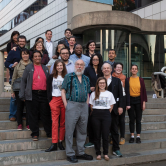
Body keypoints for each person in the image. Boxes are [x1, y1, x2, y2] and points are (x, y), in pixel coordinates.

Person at [61, 59, 93, 163]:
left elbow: (88, 92)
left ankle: (80, 152)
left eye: (81, 65)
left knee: (82, 130)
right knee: (70, 130)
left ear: (84, 66)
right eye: (78, 64)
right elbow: (63, 90)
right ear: (75, 65)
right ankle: (70, 154)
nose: (79, 66)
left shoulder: (86, 78)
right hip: (72, 105)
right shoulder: (69, 76)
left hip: (84, 106)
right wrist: (66, 105)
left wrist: (87, 104)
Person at [19, 50, 52, 141]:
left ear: (41, 57)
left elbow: (49, 82)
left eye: (39, 56)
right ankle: (35, 134)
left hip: (44, 94)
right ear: (32, 58)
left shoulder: (45, 68)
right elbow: (23, 82)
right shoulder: (28, 68)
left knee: (45, 114)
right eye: (35, 56)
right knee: (32, 114)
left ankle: (49, 132)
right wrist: (22, 95)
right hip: (32, 94)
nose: (37, 58)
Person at [89, 77, 116, 161]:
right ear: (97, 84)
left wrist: (106, 112)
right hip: (96, 115)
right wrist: (97, 112)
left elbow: (111, 105)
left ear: (105, 84)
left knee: (105, 135)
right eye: (100, 83)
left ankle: (105, 153)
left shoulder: (109, 94)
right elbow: (91, 106)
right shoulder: (94, 94)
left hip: (106, 115)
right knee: (97, 135)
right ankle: (98, 153)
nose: (102, 84)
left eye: (103, 83)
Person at [45, 60, 67, 152]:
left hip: (64, 100)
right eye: (57, 65)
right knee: (55, 122)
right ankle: (54, 143)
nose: (59, 67)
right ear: (55, 67)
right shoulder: (51, 77)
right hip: (54, 99)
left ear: (63, 66)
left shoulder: (67, 77)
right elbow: (48, 89)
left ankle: (60, 141)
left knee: (63, 122)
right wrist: (50, 101)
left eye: (61, 65)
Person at [102, 63, 123, 157]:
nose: (106, 69)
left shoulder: (117, 81)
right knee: (101, 129)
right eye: (104, 68)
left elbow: (121, 95)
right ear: (102, 70)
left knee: (114, 129)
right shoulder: (99, 80)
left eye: (108, 68)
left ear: (111, 70)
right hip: (101, 109)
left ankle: (116, 149)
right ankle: (101, 150)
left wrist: (120, 106)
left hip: (114, 109)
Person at [5, 35, 27, 121]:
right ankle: (12, 115)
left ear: (25, 42)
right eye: (20, 41)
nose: (22, 42)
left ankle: (23, 114)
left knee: (24, 97)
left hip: (25, 79)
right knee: (14, 98)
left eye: (23, 41)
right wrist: (11, 65)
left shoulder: (27, 51)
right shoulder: (12, 52)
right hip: (15, 78)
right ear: (17, 42)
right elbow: (6, 63)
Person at [84, 54, 103, 148]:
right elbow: (84, 81)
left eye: (97, 59)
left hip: (101, 96)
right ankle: (91, 140)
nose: (95, 61)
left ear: (99, 60)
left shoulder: (102, 70)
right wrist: (89, 88)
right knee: (91, 116)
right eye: (93, 59)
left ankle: (99, 139)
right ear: (91, 60)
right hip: (90, 95)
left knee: (98, 116)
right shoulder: (88, 69)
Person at [11, 48, 32, 130]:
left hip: (29, 89)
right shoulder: (18, 65)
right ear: (21, 55)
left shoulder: (32, 64)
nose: (25, 55)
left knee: (29, 107)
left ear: (28, 55)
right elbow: (14, 78)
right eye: (23, 54)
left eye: (26, 54)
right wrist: (12, 91)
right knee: (19, 107)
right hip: (19, 89)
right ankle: (19, 124)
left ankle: (28, 124)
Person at [127, 65, 147, 144]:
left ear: (137, 70)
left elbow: (144, 92)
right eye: (133, 69)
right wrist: (127, 103)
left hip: (139, 100)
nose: (134, 70)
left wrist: (144, 103)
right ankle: (132, 136)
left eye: (135, 69)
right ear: (130, 70)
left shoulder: (141, 80)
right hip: (131, 100)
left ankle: (138, 136)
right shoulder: (128, 79)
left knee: (138, 120)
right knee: (131, 119)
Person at [112, 63, 130, 145]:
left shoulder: (125, 79)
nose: (118, 69)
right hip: (112, 101)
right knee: (113, 120)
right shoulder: (111, 77)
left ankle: (122, 137)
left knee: (121, 120)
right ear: (114, 68)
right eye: (117, 67)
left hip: (122, 101)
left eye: (120, 67)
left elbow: (127, 92)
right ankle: (114, 137)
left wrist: (127, 103)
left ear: (122, 69)